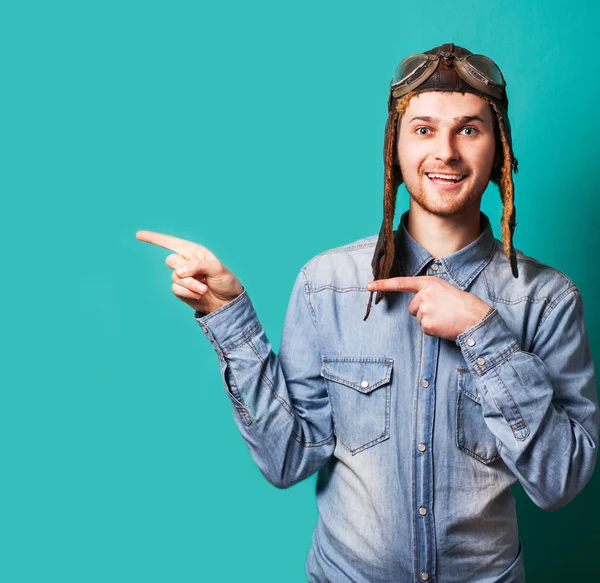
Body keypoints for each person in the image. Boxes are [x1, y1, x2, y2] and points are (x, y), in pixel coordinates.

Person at [136, 43, 599, 583]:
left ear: (498, 149)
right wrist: (228, 317)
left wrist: (485, 336)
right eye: (423, 129)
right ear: (394, 149)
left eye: (469, 129)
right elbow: (287, 459)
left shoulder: (548, 299)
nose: (446, 152)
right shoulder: (326, 285)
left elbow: (560, 480)